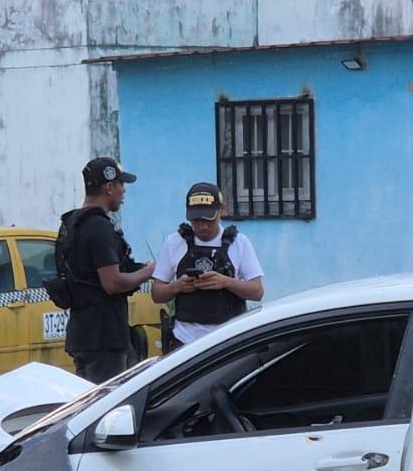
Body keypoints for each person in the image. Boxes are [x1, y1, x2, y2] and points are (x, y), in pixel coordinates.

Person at [55, 157, 154, 382]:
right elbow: (112, 283)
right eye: (121, 184)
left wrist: (136, 268)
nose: (124, 191)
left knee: (89, 398)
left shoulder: (73, 223)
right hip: (104, 337)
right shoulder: (98, 226)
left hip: (84, 333)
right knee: (108, 399)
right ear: (109, 187)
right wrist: (148, 272)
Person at [151, 182, 265, 346]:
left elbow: (257, 291)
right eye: (196, 220)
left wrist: (225, 282)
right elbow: (157, 294)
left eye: (208, 219)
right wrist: (177, 287)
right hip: (184, 340)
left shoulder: (239, 243)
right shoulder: (174, 243)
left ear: (222, 210)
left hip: (228, 339)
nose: (202, 226)